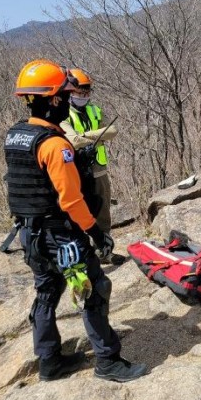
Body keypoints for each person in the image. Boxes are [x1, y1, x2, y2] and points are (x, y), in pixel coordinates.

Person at [4, 59, 146, 382]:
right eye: (65, 97)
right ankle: (108, 360)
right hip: (61, 236)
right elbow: (70, 201)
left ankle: (49, 361)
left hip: (30, 234)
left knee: (46, 293)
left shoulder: (15, 136)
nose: (69, 101)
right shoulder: (55, 146)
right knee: (93, 288)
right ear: (53, 99)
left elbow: (31, 183)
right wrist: (97, 233)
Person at [60, 68, 124, 265]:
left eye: (87, 93)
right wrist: (97, 135)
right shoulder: (63, 113)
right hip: (77, 172)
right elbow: (72, 140)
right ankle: (83, 254)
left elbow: (112, 131)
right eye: (81, 93)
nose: (85, 96)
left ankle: (105, 251)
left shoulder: (94, 110)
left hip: (99, 169)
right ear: (71, 92)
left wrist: (84, 137)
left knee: (103, 211)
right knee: (79, 213)